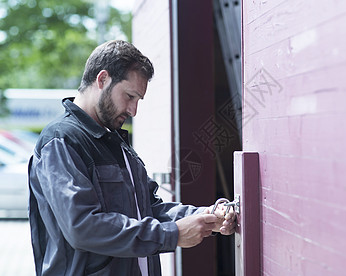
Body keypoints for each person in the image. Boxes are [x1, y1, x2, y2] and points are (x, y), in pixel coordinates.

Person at [28, 40, 235, 276]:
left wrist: (204, 216)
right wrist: (173, 234)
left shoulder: (117, 142)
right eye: (129, 96)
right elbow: (83, 227)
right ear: (102, 79)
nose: (133, 110)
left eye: (138, 100)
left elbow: (147, 209)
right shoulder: (61, 141)